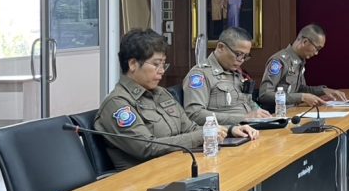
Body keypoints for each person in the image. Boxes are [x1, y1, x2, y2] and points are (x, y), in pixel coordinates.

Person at [182, 26, 305, 191]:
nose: (241, 60)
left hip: (248, 137)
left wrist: (260, 113)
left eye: (245, 56)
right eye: (238, 54)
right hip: (222, 146)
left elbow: (248, 104)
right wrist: (241, 118)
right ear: (220, 48)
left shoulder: (236, 73)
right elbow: (194, 114)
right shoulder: (200, 75)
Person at [96, 28, 257, 172]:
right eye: (156, 64)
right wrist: (202, 136)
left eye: (163, 65)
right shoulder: (117, 104)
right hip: (145, 180)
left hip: (179, 168)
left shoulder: (161, 93)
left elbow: (190, 127)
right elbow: (146, 148)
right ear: (132, 64)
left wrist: (229, 130)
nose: (161, 71)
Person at [258, 24, 348, 108]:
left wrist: (323, 91)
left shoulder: (299, 61)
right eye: (317, 48)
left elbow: (300, 89)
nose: (316, 53)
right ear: (305, 42)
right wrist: (302, 97)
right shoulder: (279, 61)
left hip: (294, 111)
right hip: (278, 114)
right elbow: (264, 95)